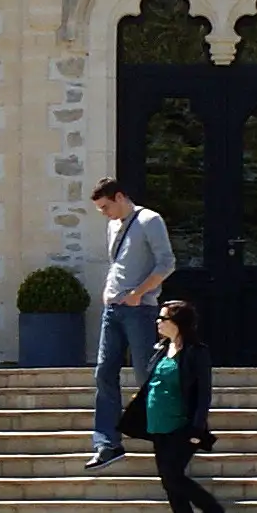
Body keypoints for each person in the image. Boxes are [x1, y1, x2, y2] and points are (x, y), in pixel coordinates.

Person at [83, 175, 174, 470]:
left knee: (146, 375)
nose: (104, 213)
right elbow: (119, 265)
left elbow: (166, 263)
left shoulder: (150, 220)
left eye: (106, 206)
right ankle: (107, 443)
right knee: (104, 373)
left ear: (120, 197)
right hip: (113, 311)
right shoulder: (113, 226)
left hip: (140, 310)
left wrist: (138, 294)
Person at [140, 298, 226, 513]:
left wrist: (197, 428)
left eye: (163, 318)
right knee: (169, 482)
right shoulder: (160, 350)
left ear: (177, 323)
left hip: (183, 426)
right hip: (157, 424)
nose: (158, 322)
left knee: (172, 476)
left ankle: (212, 508)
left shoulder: (196, 352)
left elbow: (203, 394)